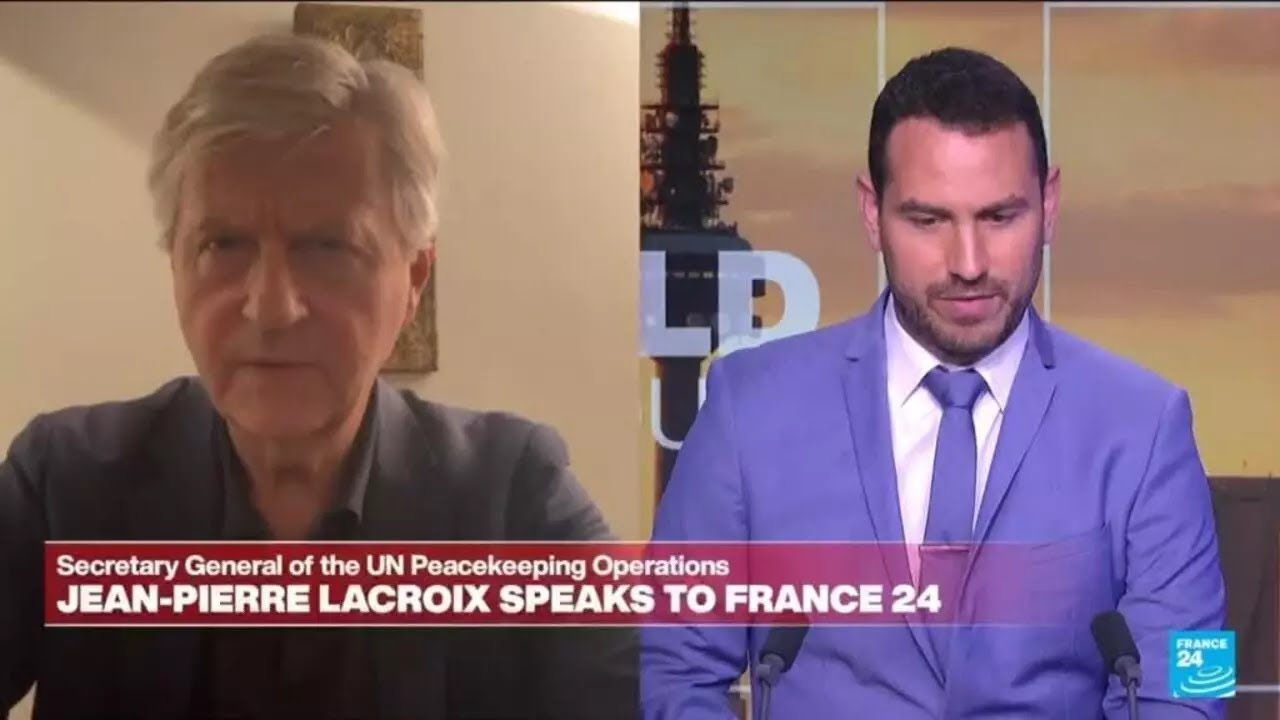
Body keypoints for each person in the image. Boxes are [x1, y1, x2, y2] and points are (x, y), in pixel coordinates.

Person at [0, 34, 636, 720]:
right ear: (175, 264)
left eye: (329, 247)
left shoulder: (516, 502)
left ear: (414, 278)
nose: (271, 307)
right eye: (223, 244)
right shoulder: (64, 486)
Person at [641, 47, 1225, 719]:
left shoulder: (1147, 425)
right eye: (928, 220)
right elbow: (673, 670)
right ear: (872, 212)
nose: (968, 263)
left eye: (1000, 217)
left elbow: (1192, 690)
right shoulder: (749, 411)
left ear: (1050, 204)